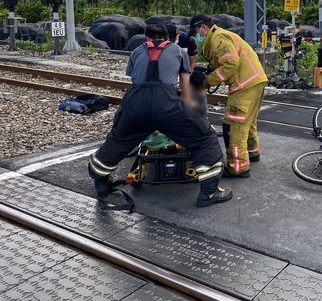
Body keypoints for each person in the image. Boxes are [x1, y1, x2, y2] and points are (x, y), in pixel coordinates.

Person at [88, 23, 232, 207]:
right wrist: (190, 112)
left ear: (147, 38)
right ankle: (209, 193)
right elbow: (185, 88)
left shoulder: (136, 51)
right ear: (169, 38)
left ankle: (102, 185)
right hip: (166, 103)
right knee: (205, 138)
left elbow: (135, 80)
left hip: (135, 102)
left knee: (117, 141)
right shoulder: (179, 51)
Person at [189, 14, 268, 178]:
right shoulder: (221, 36)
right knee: (248, 121)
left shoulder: (218, 38)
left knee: (234, 126)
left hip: (244, 85)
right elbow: (225, 62)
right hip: (255, 81)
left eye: (197, 31)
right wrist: (207, 71)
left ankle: (237, 167)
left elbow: (231, 64)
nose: (197, 36)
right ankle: (253, 153)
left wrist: (206, 81)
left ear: (203, 27)